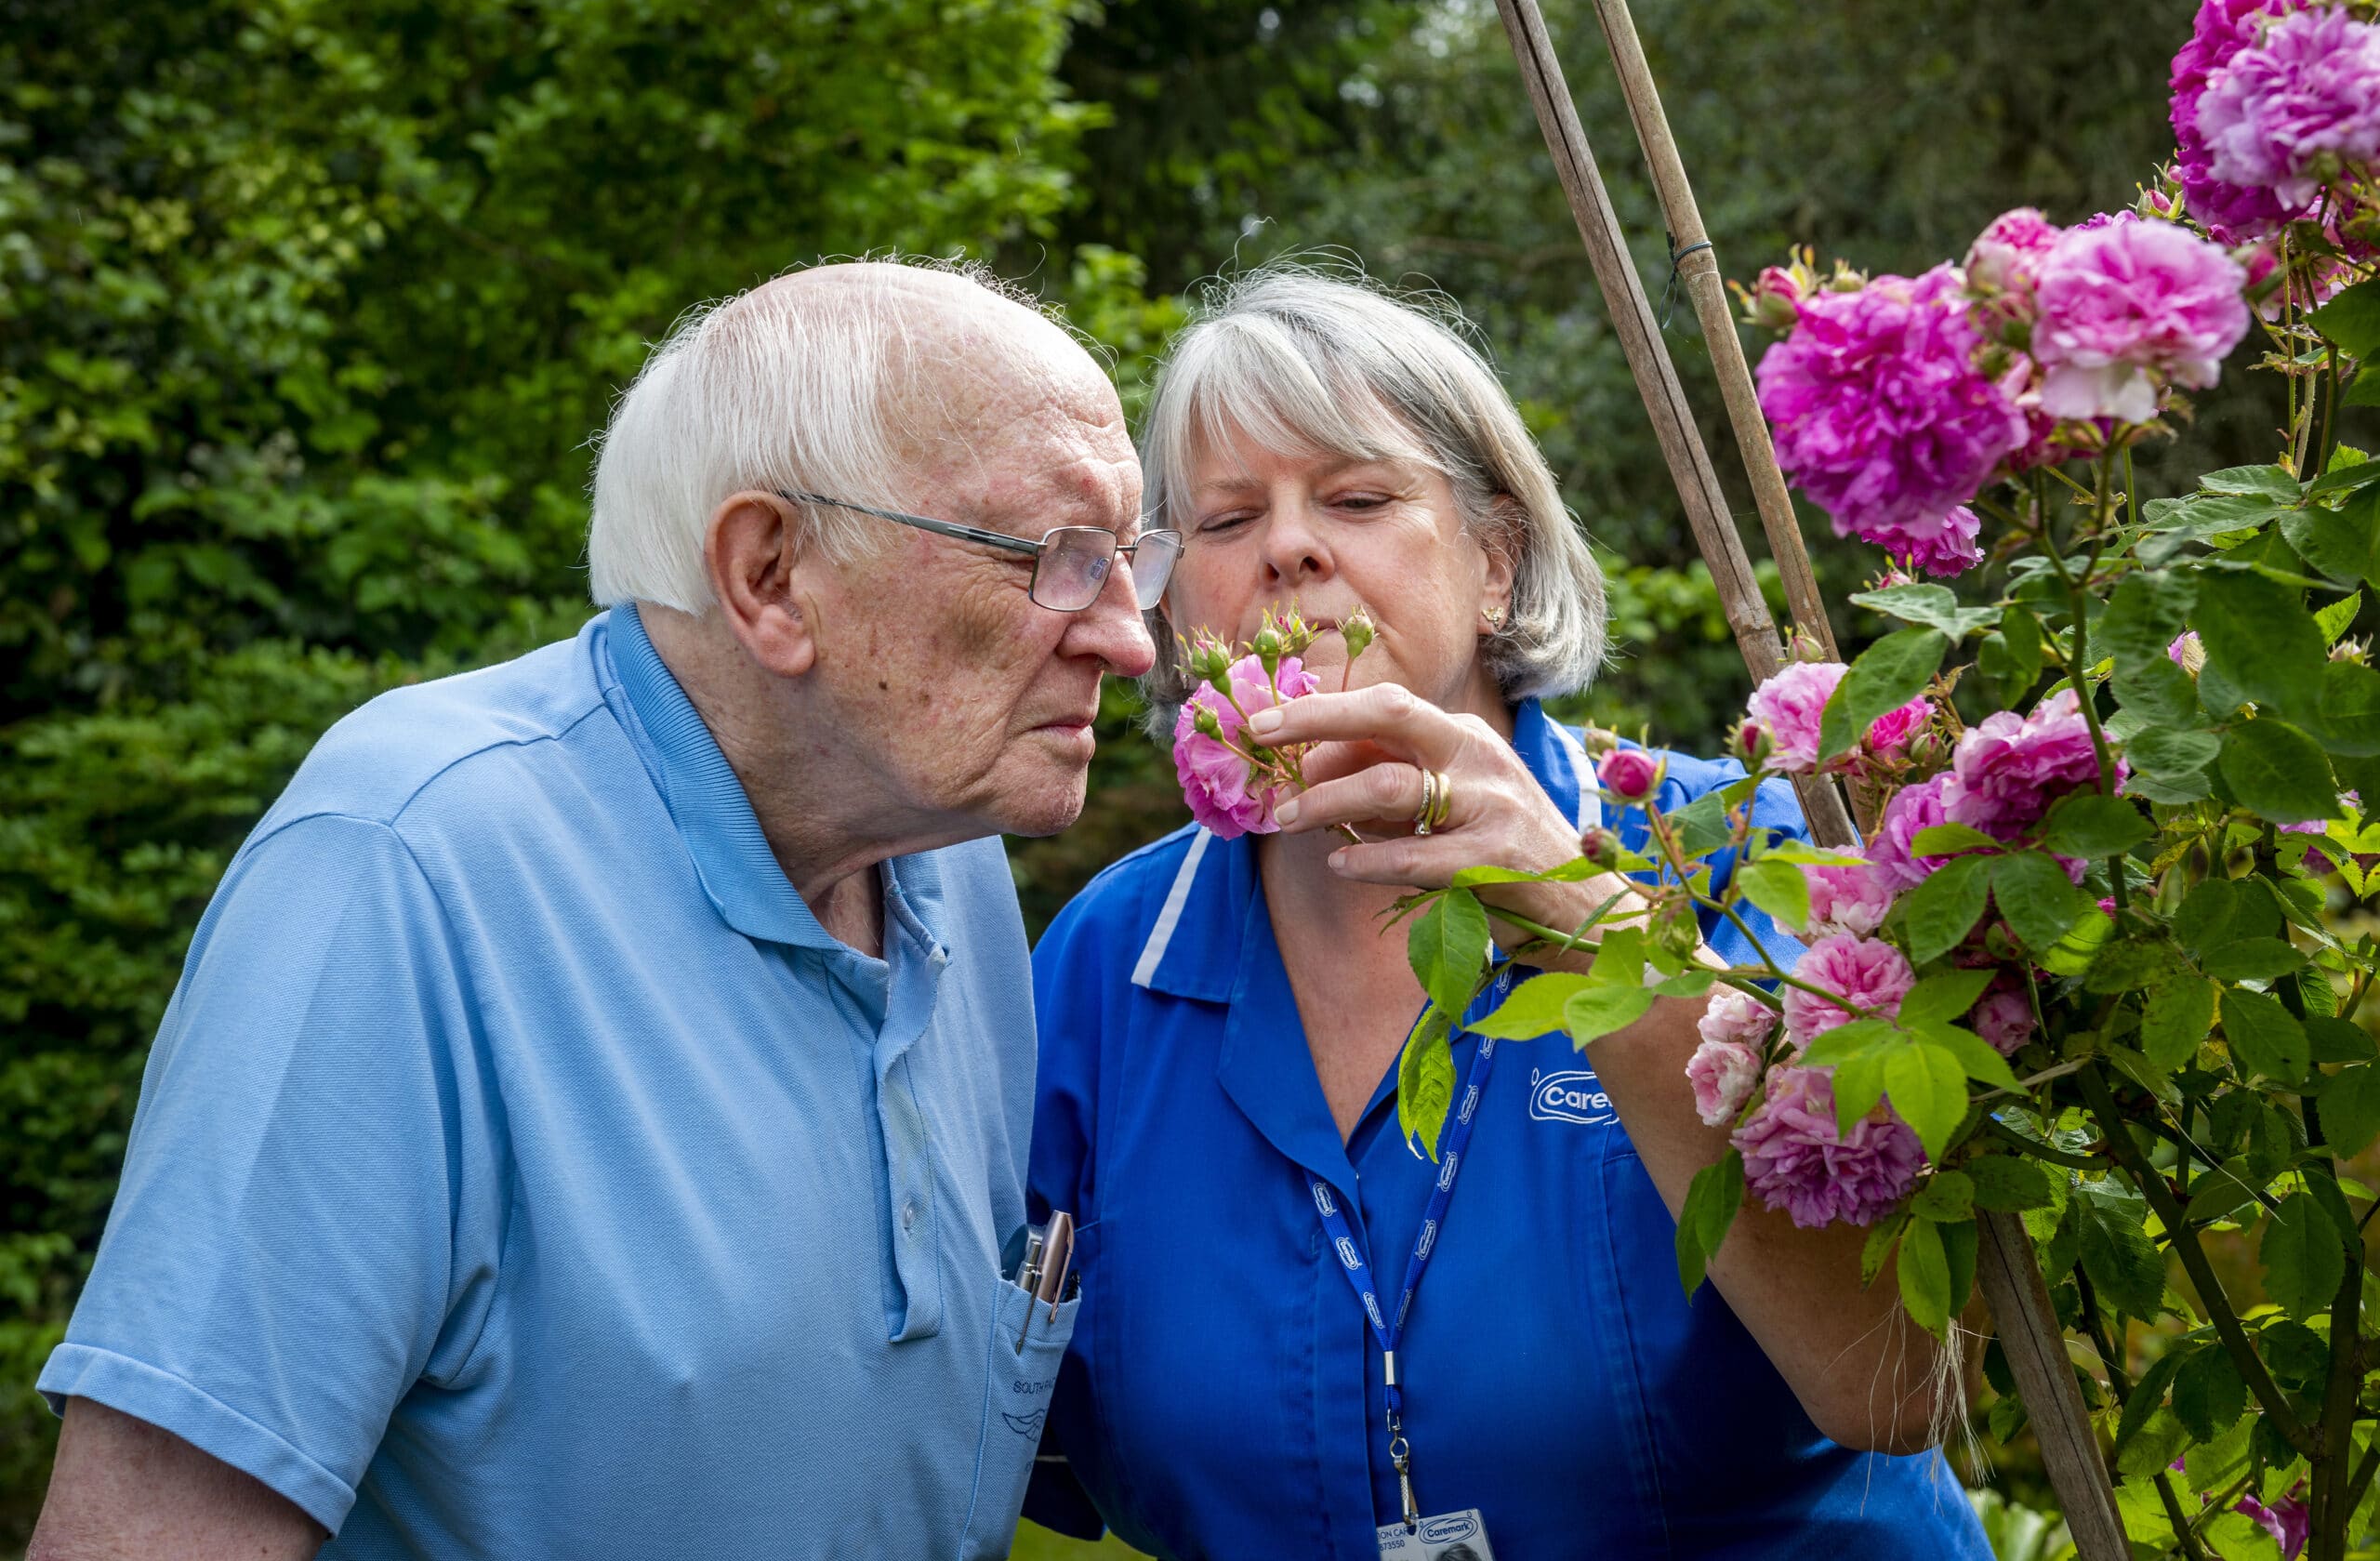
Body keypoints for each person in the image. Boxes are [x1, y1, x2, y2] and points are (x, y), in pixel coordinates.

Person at [28, 262, 1170, 1560]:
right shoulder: (403, 871)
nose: (1131, 640)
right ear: (769, 574)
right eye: (1053, 560)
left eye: (1129, 561)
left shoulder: (942, 854)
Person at [1024, 265, 1992, 1558]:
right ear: (1173, 603)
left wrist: (1590, 923)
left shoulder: (1746, 854)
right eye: (1226, 519)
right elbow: (1004, 1456)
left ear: (1497, 563)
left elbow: (1897, 1384)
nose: (1289, 548)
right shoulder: (1104, 965)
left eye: (1358, 498)